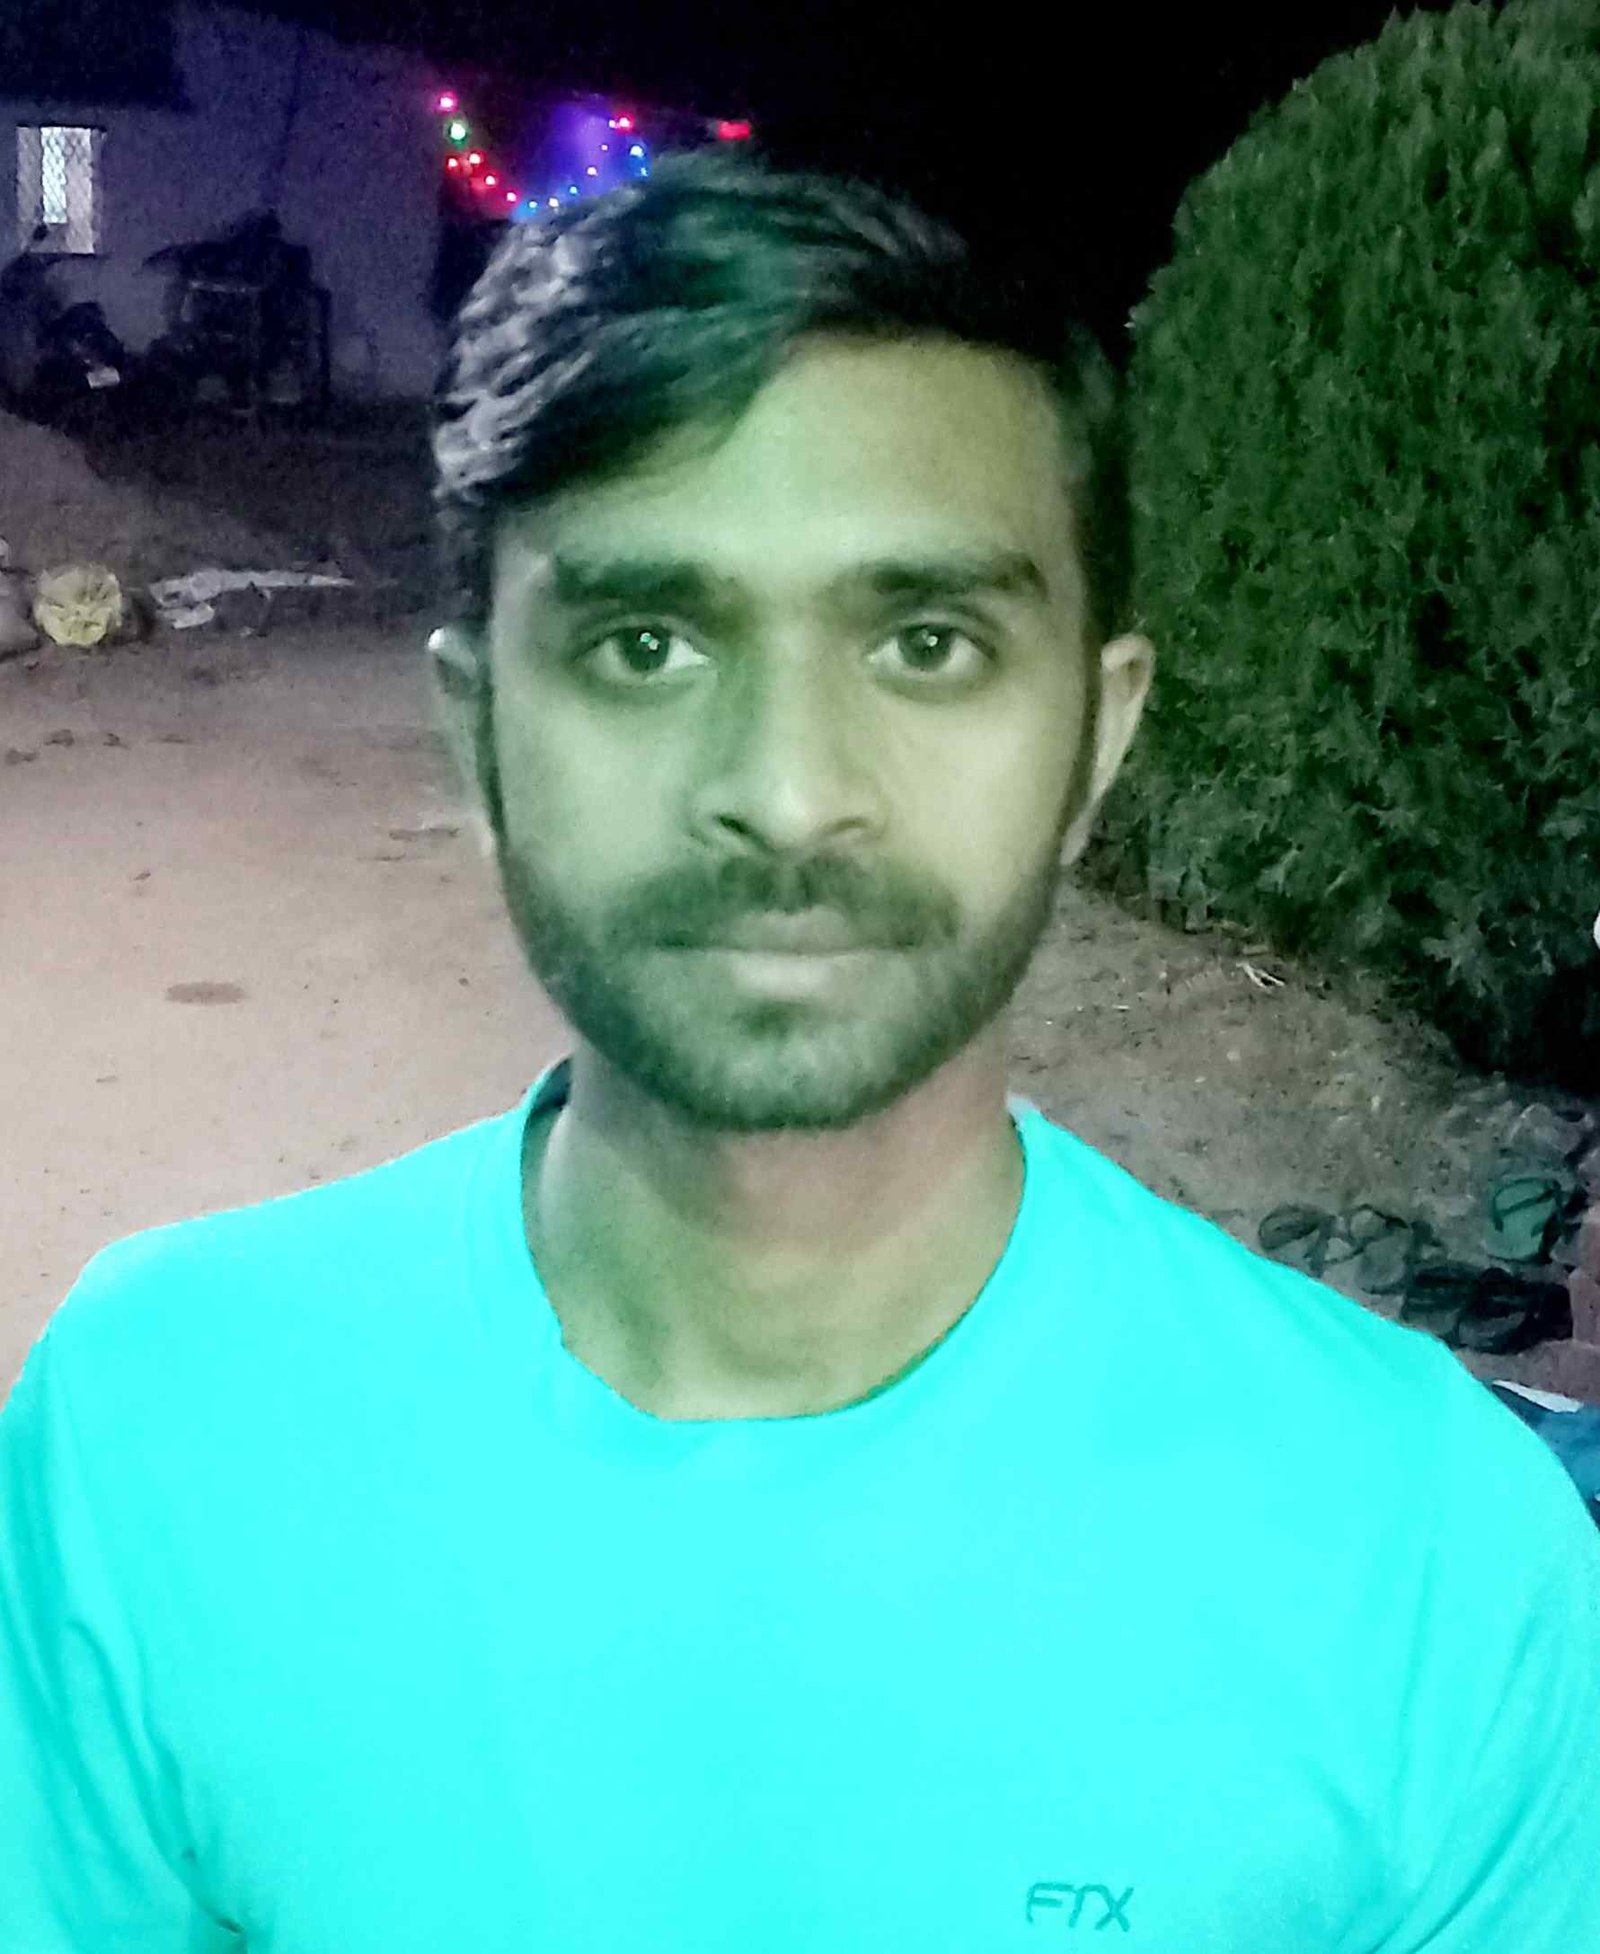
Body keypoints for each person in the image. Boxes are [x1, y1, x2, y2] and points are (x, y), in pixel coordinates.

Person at [2, 149, 1598, 1952]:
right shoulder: (155, 1429)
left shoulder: (1431, 1563)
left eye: (927, 641)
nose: (785, 790)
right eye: (646, 642)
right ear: (478, 735)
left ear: (1095, 742)